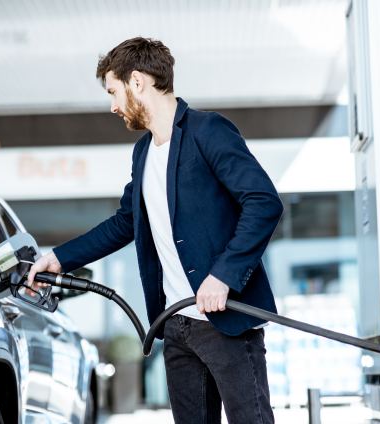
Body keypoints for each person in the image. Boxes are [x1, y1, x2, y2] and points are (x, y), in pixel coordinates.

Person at [28, 37, 283, 424]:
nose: (113, 105)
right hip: (177, 325)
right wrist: (59, 259)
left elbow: (264, 201)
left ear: (137, 81)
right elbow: (125, 222)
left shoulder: (207, 131)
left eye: (114, 92)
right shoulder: (143, 152)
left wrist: (224, 276)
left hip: (224, 319)